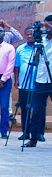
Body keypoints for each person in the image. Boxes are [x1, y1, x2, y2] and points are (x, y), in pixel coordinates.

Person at [23, 15, 52, 148]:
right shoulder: (41, 41)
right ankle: (33, 138)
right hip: (40, 79)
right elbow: (35, 60)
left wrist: (48, 26)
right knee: (36, 110)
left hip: (51, 78)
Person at [14, 26, 36, 139]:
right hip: (24, 83)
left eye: (31, 34)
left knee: (37, 109)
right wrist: (17, 79)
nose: (29, 36)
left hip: (38, 83)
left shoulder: (39, 48)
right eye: (27, 34)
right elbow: (16, 66)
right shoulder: (20, 49)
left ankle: (38, 133)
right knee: (24, 108)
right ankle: (26, 132)